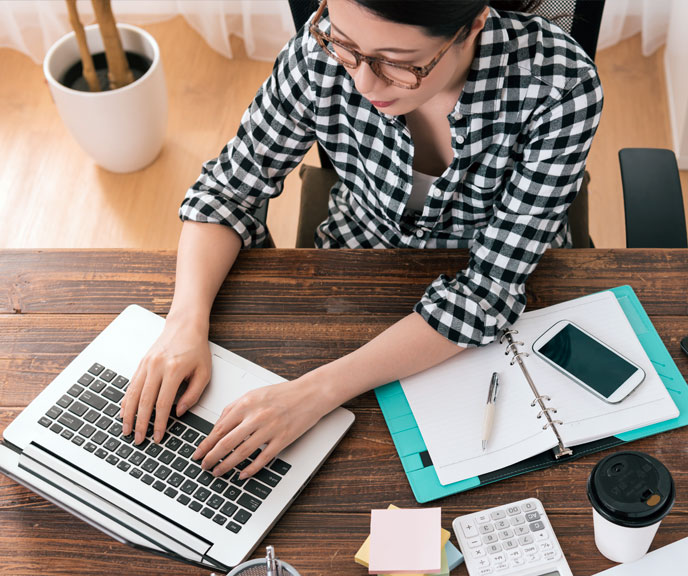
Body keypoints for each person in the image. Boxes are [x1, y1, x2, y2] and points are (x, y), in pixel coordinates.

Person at [120, 0, 603, 482]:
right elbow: (227, 191)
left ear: (472, 25)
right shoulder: (318, 53)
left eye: (398, 62)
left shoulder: (560, 88)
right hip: (356, 265)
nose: (364, 84)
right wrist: (182, 324)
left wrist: (314, 393)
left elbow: (487, 292)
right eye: (348, 48)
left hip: (502, 306)